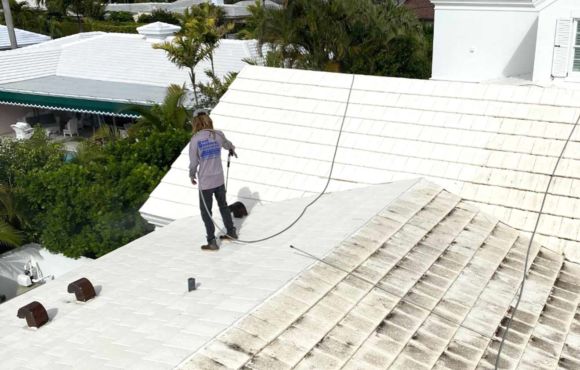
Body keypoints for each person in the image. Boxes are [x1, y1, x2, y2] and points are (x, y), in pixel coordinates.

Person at [189, 113, 238, 251]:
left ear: (196, 124)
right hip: (219, 179)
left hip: (205, 182)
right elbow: (228, 145)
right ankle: (231, 231)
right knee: (223, 205)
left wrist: (191, 175)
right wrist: (232, 149)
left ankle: (212, 241)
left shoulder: (195, 140)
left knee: (206, 212)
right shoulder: (219, 135)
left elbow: (193, 163)